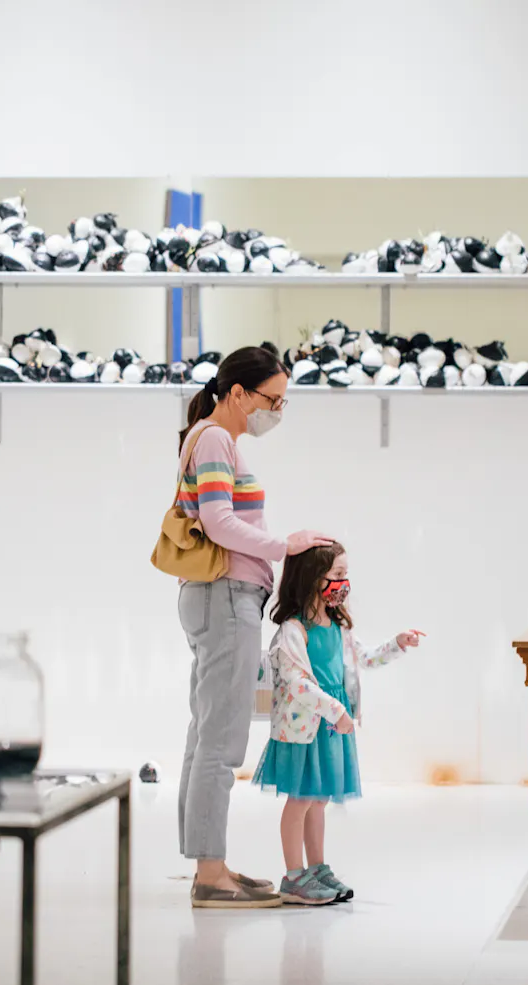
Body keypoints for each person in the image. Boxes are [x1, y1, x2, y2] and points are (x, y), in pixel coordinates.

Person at [176, 346, 333, 909]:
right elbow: (219, 522)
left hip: (218, 597)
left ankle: (210, 864)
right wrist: (283, 546)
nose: (276, 411)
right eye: (272, 399)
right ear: (238, 394)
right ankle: (209, 875)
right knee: (220, 743)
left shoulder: (207, 437)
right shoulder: (216, 438)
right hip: (226, 597)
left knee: (206, 738)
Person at [251, 541, 424, 905]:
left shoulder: (339, 627)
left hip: (330, 726)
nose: (345, 583)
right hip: (304, 730)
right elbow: (299, 684)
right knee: (299, 800)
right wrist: (336, 711)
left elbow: (367, 659)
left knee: (318, 800)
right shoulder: (292, 631)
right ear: (313, 578)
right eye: (338, 575)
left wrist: (398, 643)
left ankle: (317, 868)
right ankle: (294, 876)